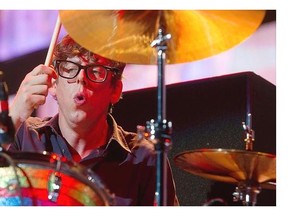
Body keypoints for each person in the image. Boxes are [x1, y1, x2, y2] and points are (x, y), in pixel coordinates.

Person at [7, 34, 179, 206]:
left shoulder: (145, 158)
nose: (81, 78)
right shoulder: (23, 135)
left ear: (116, 90)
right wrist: (14, 116)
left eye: (95, 71)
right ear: (53, 84)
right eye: (69, 68)